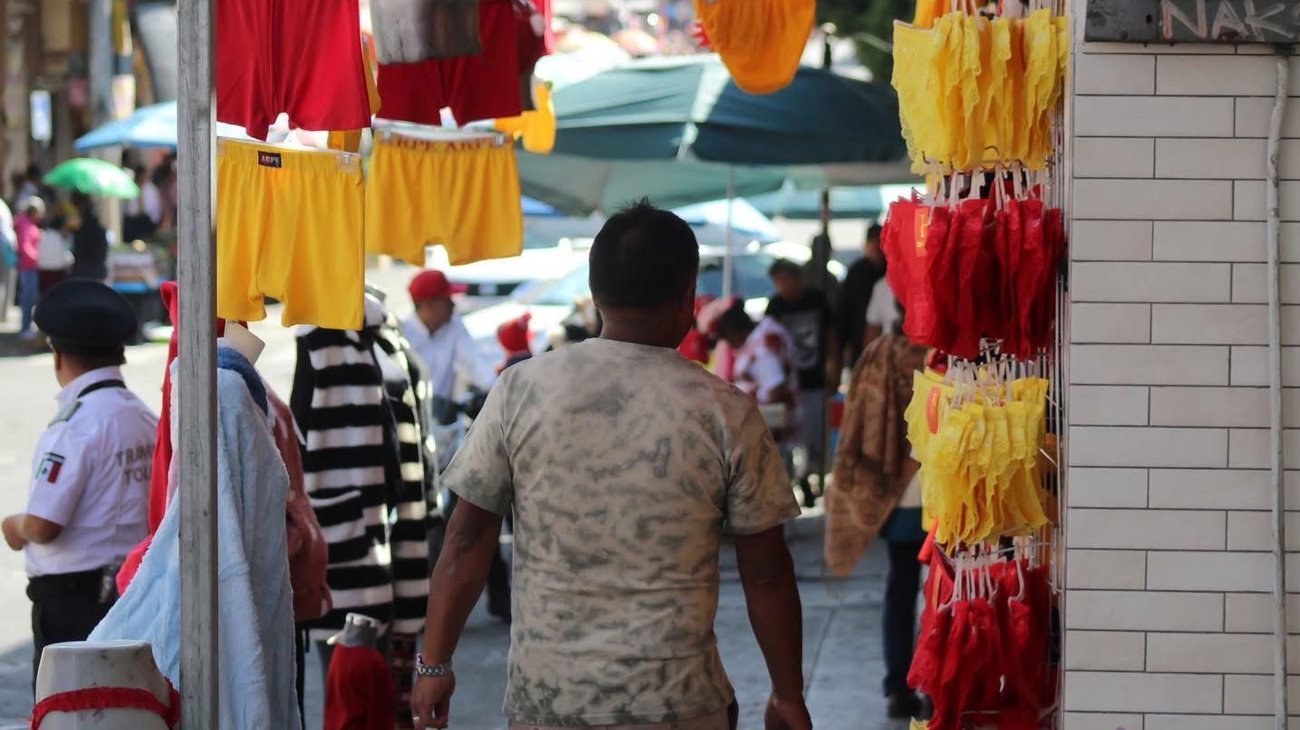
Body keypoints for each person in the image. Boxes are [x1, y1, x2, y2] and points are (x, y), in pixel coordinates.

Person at [410, 202, 810, 730]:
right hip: (680, 704)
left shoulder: (521, 390)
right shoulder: (726, 410)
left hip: (550, 703)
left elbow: (465, 541)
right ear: (688, 296)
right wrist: (786, 693)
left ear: (595, 295)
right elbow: (767, 573)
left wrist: (434, 662)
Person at [1, 279, 157, 686]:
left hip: (73, 603)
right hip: (131, 591)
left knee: (69, 708)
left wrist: (14, 526)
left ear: (59, 354)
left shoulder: (73, 427)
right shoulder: (143, 417)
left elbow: (43, 526)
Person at [766, 258, 838, 507]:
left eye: (787, 278)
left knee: (813, 435)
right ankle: (800, 479)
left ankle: (810, 476)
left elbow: (830, 334)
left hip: (813, 377)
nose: (784, 285)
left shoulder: (815, 300)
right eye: (779, 280)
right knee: (790, 437)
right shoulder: (775, 306)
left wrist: (833, 366)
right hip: (787, 383)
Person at [401, 269, 496, 403]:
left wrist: (498, 391)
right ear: (428, 305)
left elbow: (474, 363)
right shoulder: (402, 334)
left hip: (444, 418)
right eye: (447, 299)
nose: (453, 304)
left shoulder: (454, 325)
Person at [838, 224, 886, 369]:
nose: (877, 248)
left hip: (887, 342)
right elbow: (845, 310)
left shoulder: (892, 270)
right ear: (866, 244)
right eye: (873, 243)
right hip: (859, 340)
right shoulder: (856, 272)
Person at [14, 196, 44, 338]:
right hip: (28, 266)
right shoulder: (26, 224)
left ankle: (27, 327)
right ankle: (25, 328)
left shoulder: (29, 223)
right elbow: (25, 246)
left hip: (29, 265)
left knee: (29, 297)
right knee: (28, 297)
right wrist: (37, 258)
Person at [70, 192, 109, 281]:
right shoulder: (100, 231)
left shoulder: (79, 232)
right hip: (96, 273)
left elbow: (76, 251)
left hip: (83, 273)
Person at [122, 165, 162, 242]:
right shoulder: (129, 187)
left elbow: (155, 207)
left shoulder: (151, 189)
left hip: (146, 220)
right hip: (132, 221)